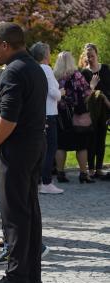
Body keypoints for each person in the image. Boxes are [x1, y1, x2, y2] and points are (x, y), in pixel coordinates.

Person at [0, 22, 47, 283]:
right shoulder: (34, 68)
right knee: (29, 209)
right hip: (33, 146)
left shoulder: (13, 72)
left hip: (16, 149)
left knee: (14, 214)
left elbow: (9, 116)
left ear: (5, 45)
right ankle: (32, 274)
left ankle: (16, 277)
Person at [54, 52, 94, 184]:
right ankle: (83, 174)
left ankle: (60, 173)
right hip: (77, 114)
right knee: (81, 146)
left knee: (61, 145)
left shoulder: (55, 77)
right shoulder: (77, 75)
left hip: (60, 115)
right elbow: (87, 93)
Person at [29, 42, 64, 194]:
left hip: (37, 113)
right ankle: (46, 181)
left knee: (39, 149)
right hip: (49, 113)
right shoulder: (46, 69)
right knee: (50, 148)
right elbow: (54, 93)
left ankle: (38, 181)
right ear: (45, 55)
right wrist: (61, 92)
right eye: (49, 52)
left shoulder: (33, 68)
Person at [81, 43, 110, 180]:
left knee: (101, 138)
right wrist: (92, 87)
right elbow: (83, 95)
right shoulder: (84, 73)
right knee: (91, 140)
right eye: (88, 56)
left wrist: (104, 96)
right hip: (90, 112)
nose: (90, 58)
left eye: (92, 55)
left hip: (104, 109)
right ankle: (91, 168)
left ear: (97, 54)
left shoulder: (105, 69)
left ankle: (99, 168)